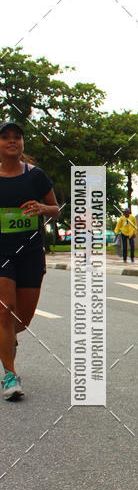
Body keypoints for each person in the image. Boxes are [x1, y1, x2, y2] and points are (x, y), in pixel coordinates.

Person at [0, 121, 59, 400]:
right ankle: (10, 375)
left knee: (21, 321)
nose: (12, 141)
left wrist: (42, 207)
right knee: (4, 310)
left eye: (17, 137)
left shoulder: (35, 176)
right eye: (5, 137)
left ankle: (8, 339)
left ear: (22, 143)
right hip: (1, 252)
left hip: (31, 252)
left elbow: (56, 209)